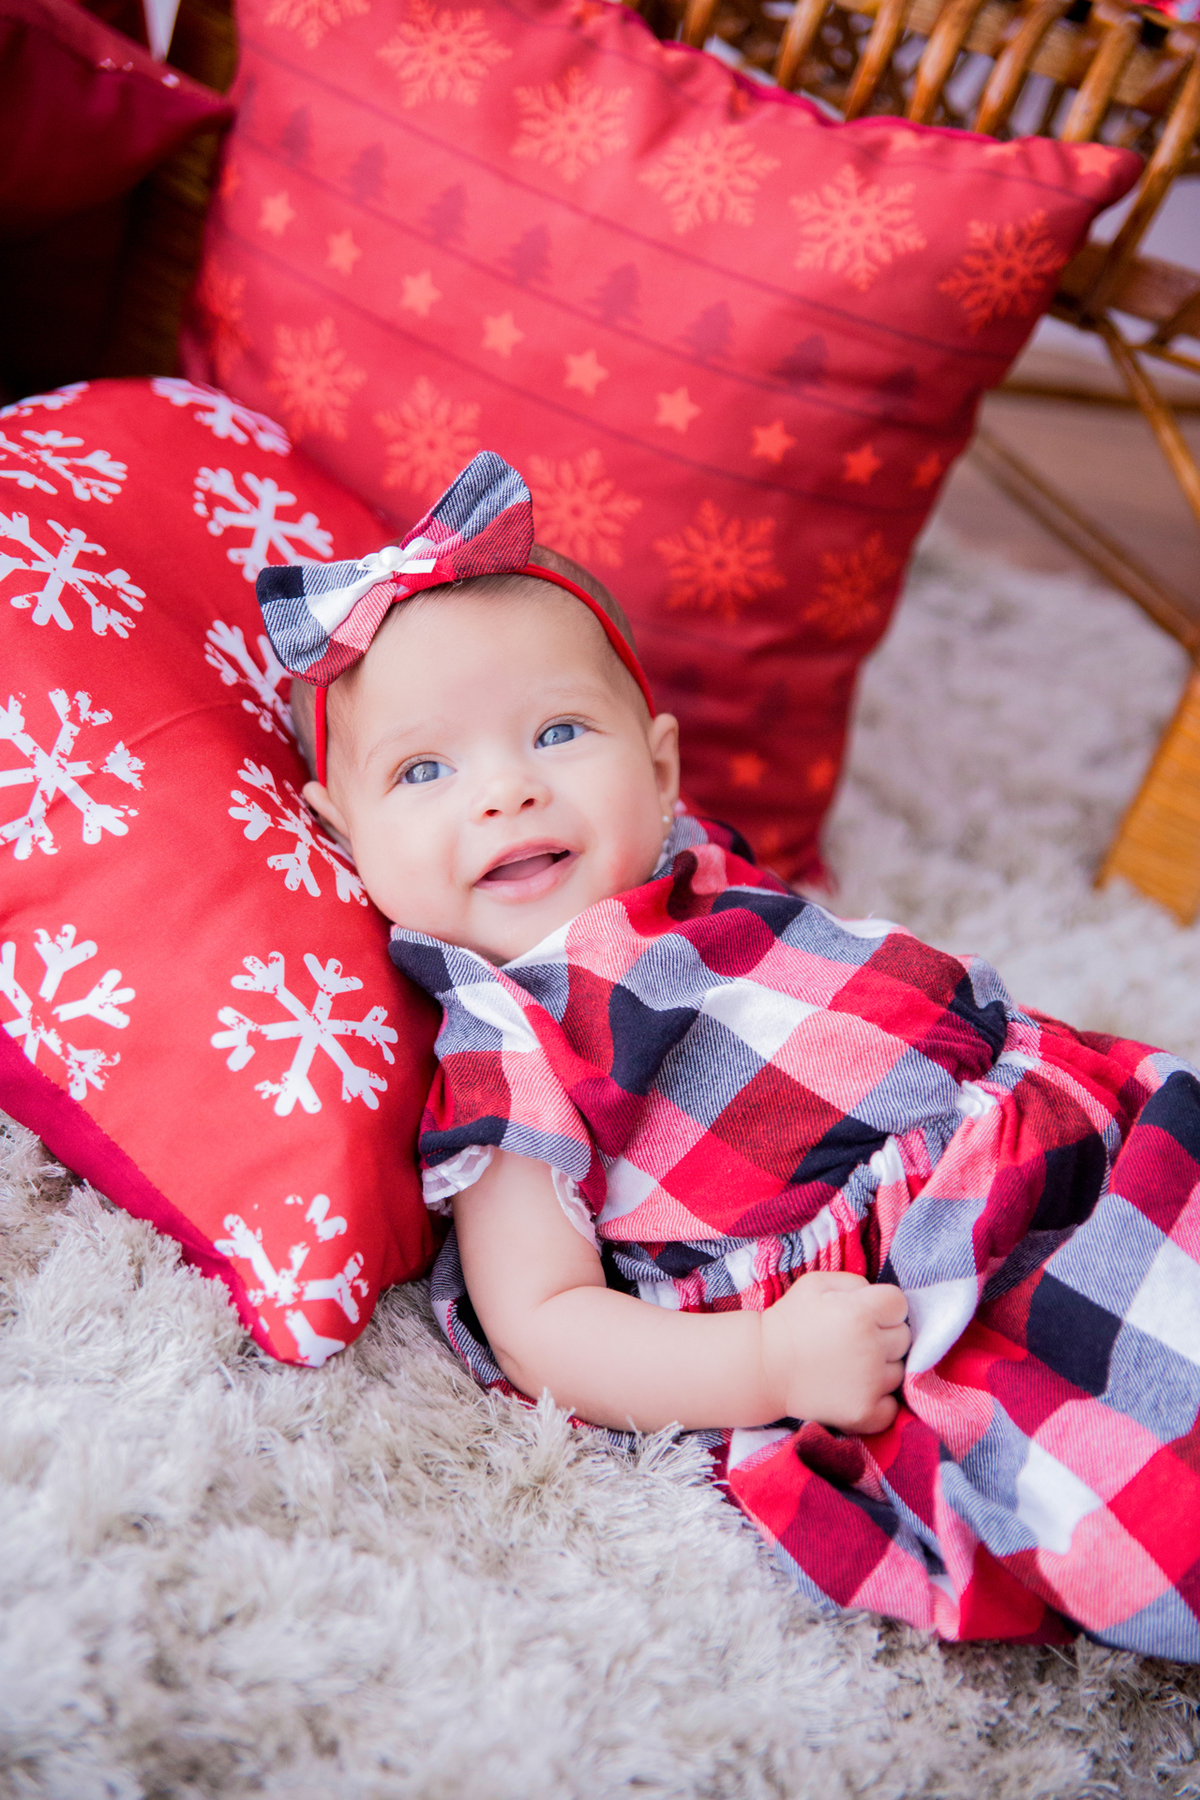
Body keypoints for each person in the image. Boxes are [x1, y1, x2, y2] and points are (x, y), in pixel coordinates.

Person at [258, 452, 1200, 1657]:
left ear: (658, 773)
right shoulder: (507, 1041)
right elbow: (543, 1322)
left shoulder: (682, 863)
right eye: (423, 771)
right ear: (342, 838)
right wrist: (764, 1360)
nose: (506, 791)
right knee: (1129, 1463)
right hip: (933, 1289)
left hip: (1078, 1124)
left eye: (557, 731)